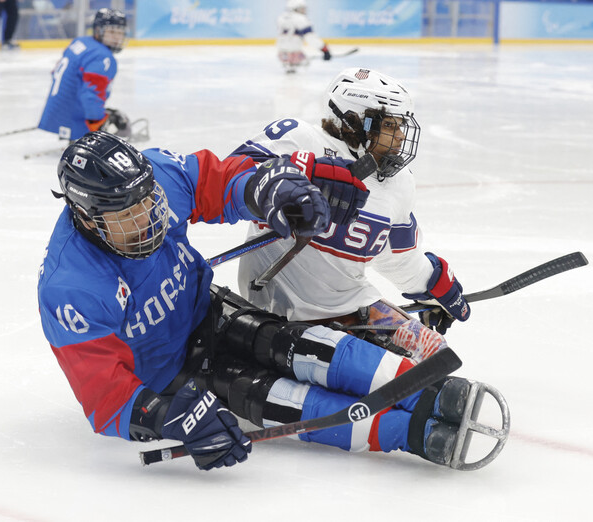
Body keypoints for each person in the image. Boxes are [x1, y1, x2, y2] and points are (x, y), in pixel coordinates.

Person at [38, 131, 505, 471]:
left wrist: (273, 193)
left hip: (210, 313)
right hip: (173, 378)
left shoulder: (154, 177)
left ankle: (429, 390)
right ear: (86, 214)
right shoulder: (71, 287)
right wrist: (166, 416)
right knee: (294, 404)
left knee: (309, 346)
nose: (149, 216)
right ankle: (416, 435)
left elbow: (217, 183)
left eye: (147, 201)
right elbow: (102, 394)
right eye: (128, 214)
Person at [232, 68, 471, 339]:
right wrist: (303, 174)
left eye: (401, 126)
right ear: (353, 121)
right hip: (270, 311)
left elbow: (397, 257)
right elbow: (231, 175)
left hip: (348, 310)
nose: (401, 137)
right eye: (391, 126)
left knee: (432, 355)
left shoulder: (400, 183)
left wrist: (435, 283)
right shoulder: (301, 138)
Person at [37, 8, 131, 141]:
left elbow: (56, 73)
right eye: (111, 32)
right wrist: (96, 123)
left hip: (54, 112)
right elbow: (92, 95)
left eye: (120, 32)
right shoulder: (103, 57)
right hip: (73, 121)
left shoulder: (81, 41)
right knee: (122, 124)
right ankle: (77, 133)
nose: (116, 37)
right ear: (98, 31)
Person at [276, 0, 331, 73]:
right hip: (294, 52)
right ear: (294, 8)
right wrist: (324, 49)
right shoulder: (301, 19)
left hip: (281, 52)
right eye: (301, 8)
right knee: (305, 63)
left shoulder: (281, 17)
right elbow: (311, 37)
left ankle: (288, 66)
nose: (303, 11)